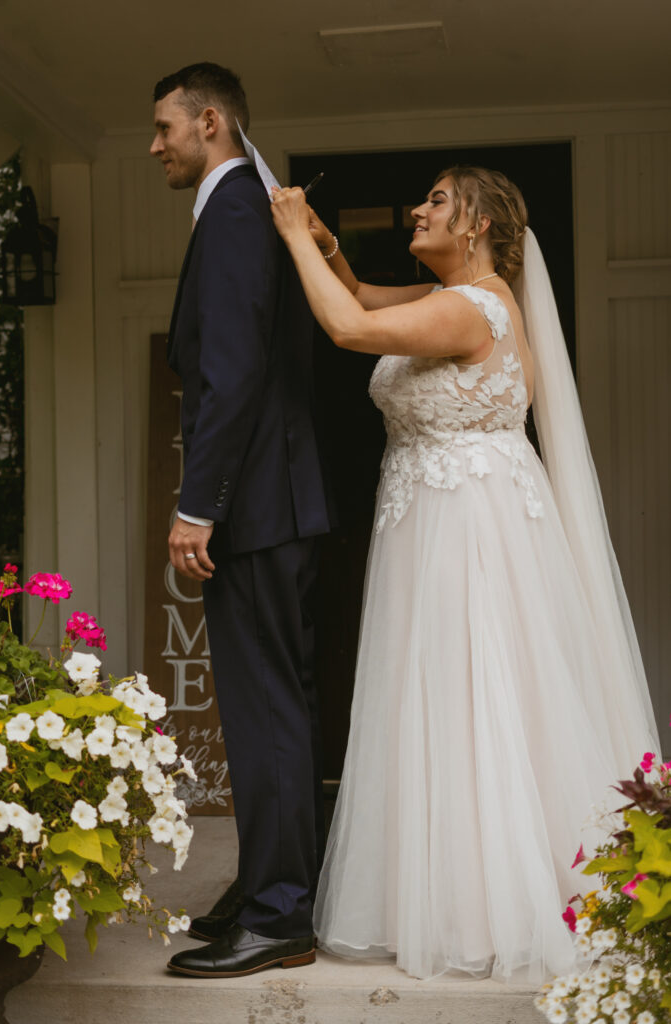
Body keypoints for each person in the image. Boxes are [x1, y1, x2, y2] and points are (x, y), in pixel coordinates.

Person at [270, 166, 661, 982]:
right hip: (434, 514)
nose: (417, 209)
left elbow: (344, 326)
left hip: (463, 527)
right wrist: (325, 242)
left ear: (479, 224)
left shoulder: (467, 308)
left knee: (473, 696)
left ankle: (496, 904)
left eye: (438, 200)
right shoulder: (462, 301)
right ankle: (459, 890)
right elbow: (364, 293)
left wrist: (285, 236)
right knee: (450, 702)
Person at [149, 62, 331, 978]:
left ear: (210, 122)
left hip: (252, 505)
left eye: (165, 129)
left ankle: (281, 915)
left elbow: (228, 373)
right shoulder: (252, 198)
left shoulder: (230, 210)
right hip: (275, 500)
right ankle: (268, 888)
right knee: (274, 707)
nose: (155, 146)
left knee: (264, 714)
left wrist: (194, 508)